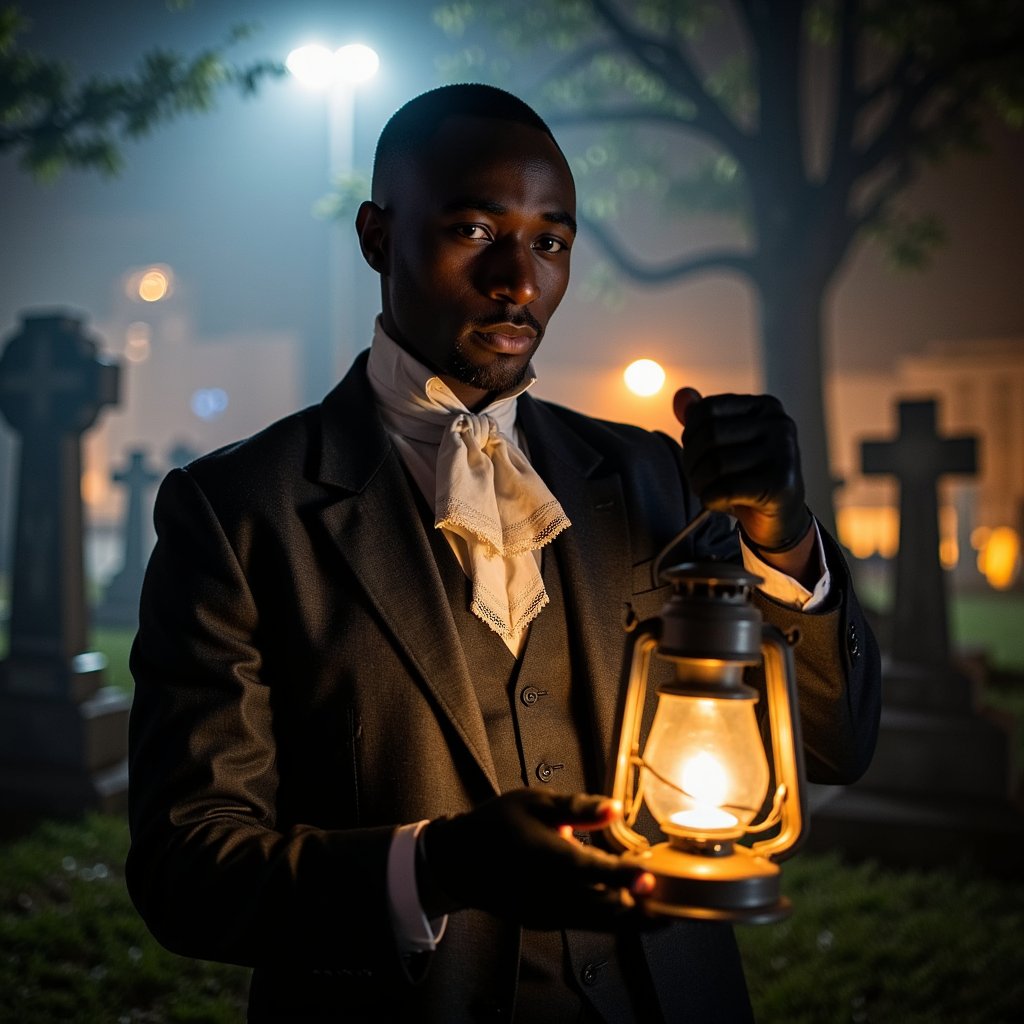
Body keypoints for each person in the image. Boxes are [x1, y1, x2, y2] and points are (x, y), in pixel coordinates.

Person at [126, 84, 880, 1023]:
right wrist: (436, 867)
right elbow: (186, 871)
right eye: (475, 231)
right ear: (376, 237)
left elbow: (836, 745)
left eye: (550, 243)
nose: (519, 281)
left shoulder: (655, 476)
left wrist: (785, 537)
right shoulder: (239, 511)